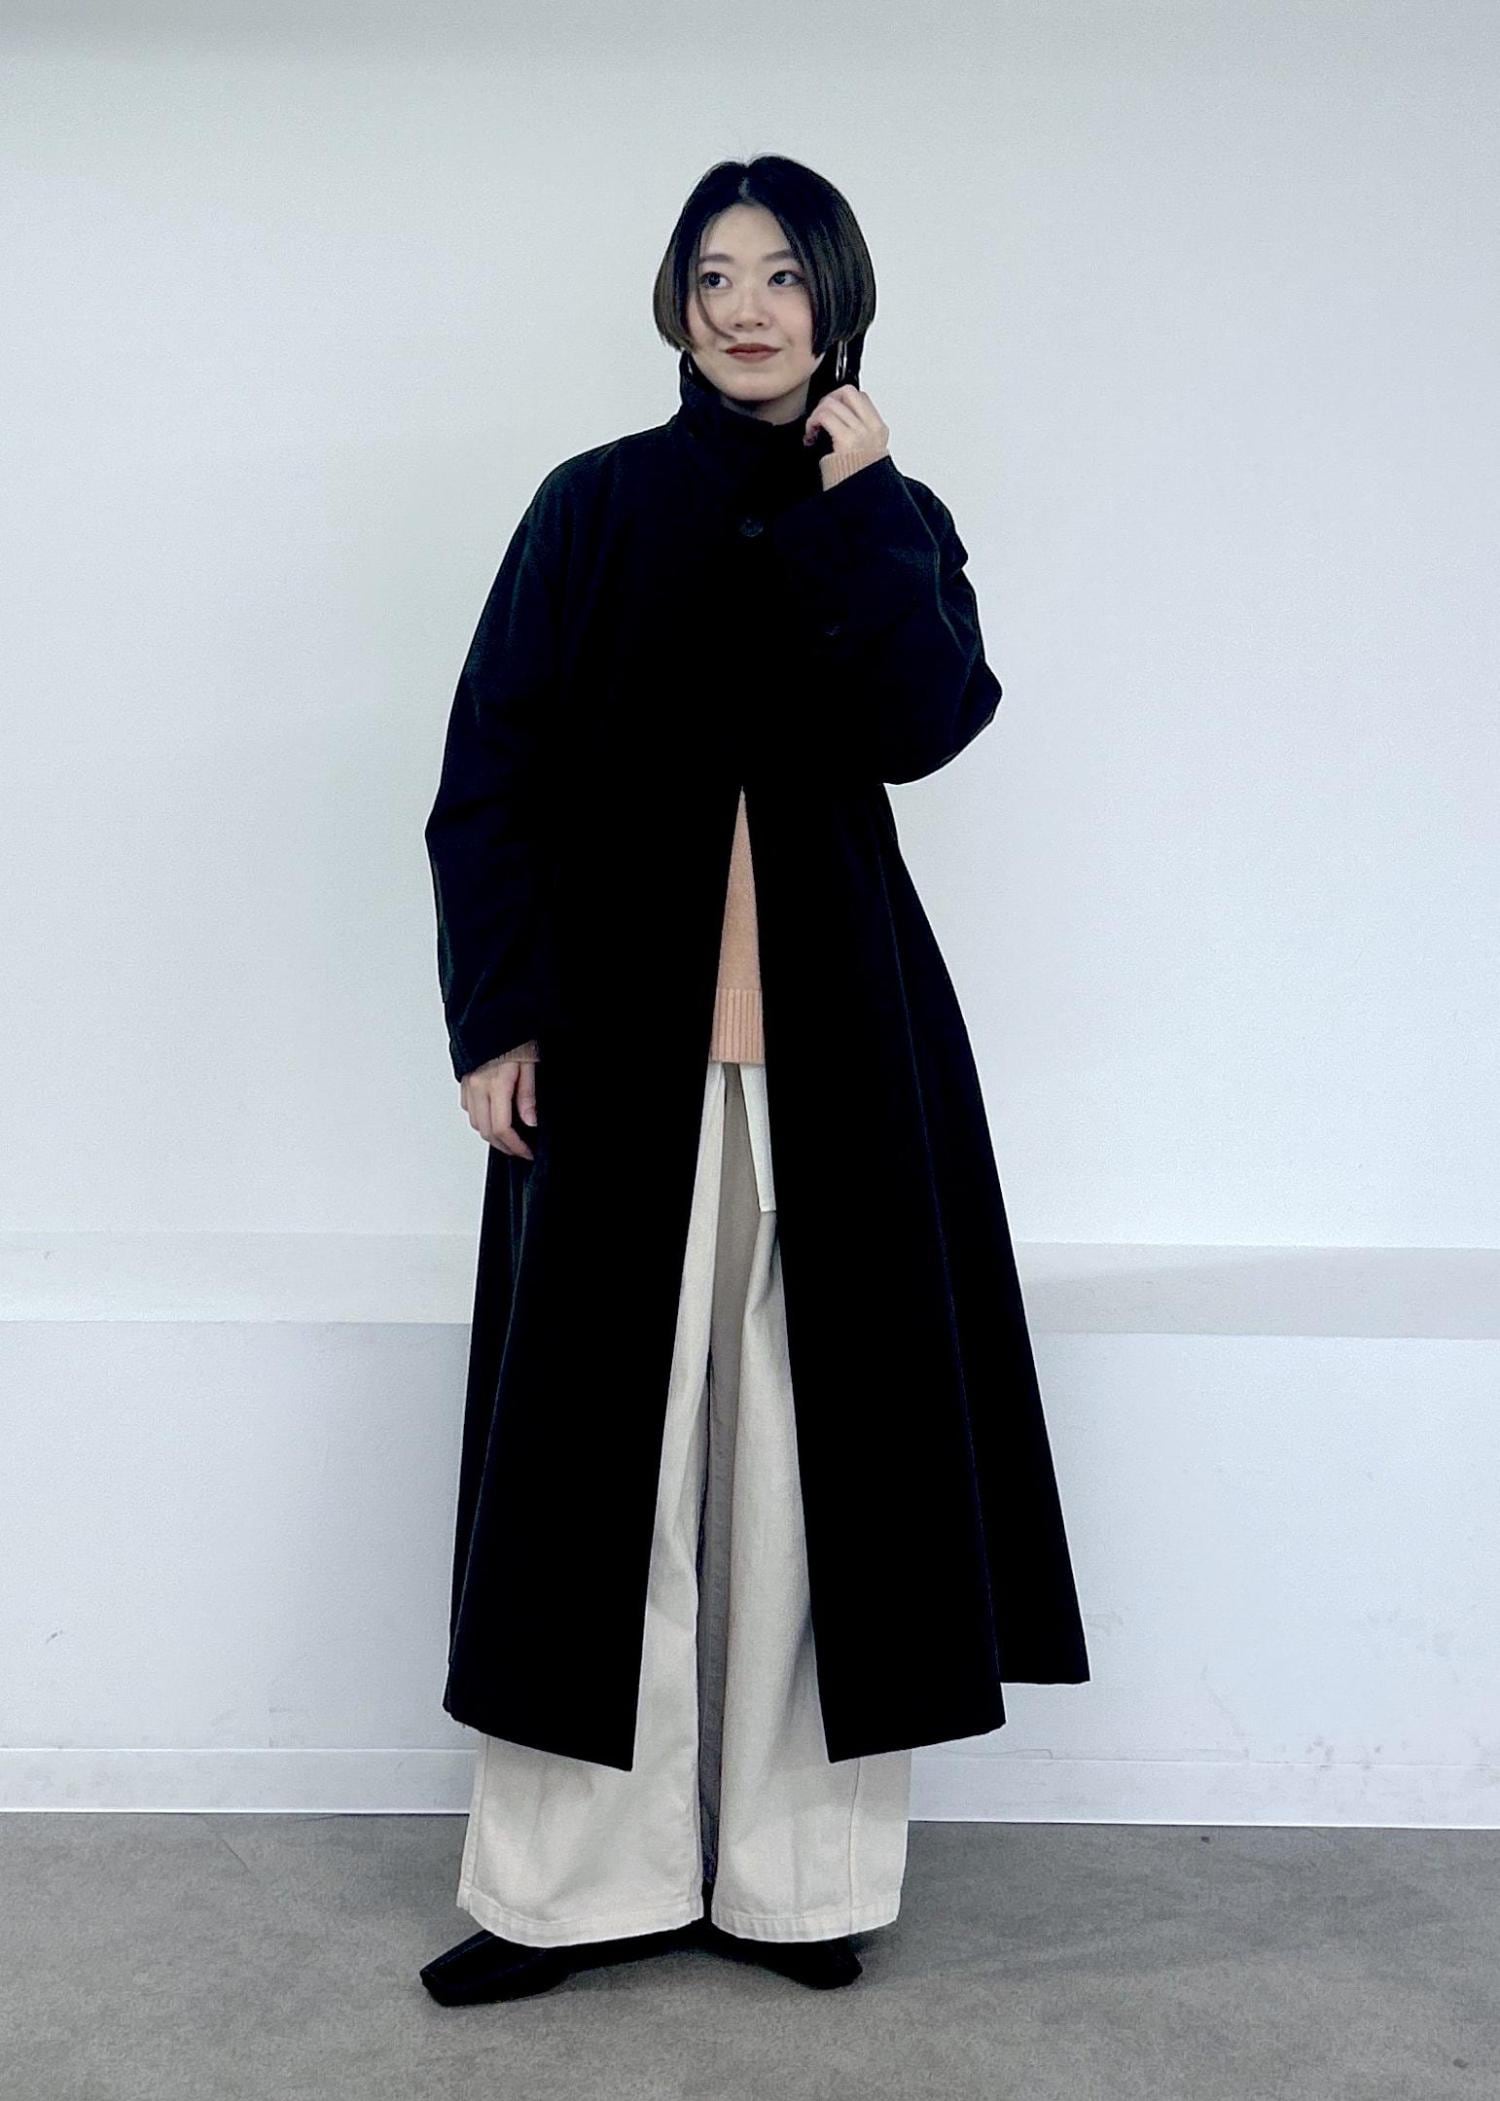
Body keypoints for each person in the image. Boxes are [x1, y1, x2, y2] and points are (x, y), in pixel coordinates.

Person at [418, 155, 1090, 2005]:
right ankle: (564, 1891)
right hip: (612, 1061)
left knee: (822, 1473)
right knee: (597, 1473)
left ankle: (802, 1885)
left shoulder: (889, 512)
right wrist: (496, 1017)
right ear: (677, 300)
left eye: (781, 274)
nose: (743, 308)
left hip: (844, 1061)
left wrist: (858, 505)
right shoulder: (592, 507)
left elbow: (926, 725)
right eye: (713, 274)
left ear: (834, 298)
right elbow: (488, 773)